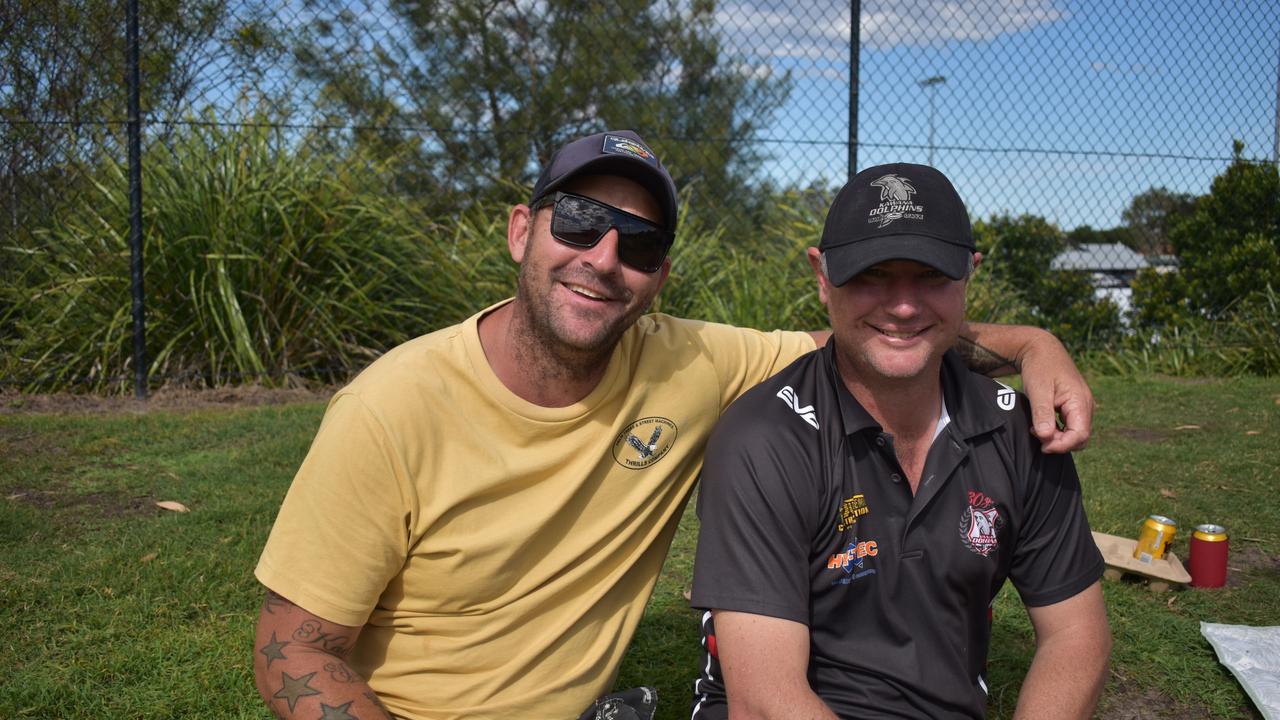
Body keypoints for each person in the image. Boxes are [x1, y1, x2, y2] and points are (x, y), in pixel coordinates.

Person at [252, 131, 1096, 720]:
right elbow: (290, 653)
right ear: (520, 230)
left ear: (660, 277)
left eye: (641, 244)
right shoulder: (390, 408)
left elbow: (884, 334)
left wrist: (1033, 344)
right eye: (579, 221)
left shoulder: (687, 363)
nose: (604, 259)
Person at [688, 162, 1111, 720]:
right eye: (872, 274)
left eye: (932, 275)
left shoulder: (1017, 428)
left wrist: (1038, 343)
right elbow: (765, 703)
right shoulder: (763, 439)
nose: (904, 305)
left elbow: (1077, 635)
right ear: (822, 276)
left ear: (969, 275)